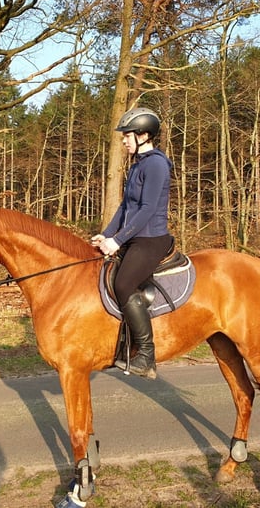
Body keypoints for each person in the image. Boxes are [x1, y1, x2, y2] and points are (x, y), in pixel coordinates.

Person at [91, 107, 173, 378]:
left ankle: (147, 355)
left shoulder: (157, 164)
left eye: (127, 136)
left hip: (151, 240)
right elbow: (126, 206)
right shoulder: (138, 164)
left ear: (144, 135)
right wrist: (107, 234)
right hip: (134, 237)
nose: (124, 140)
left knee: (124, 283)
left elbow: (148, 208)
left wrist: (119, 240)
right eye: (124, 137)